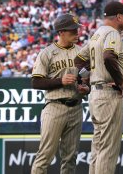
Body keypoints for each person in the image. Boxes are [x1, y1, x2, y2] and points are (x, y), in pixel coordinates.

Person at [74, 1, 123, 174]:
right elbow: (108, 56)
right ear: (119, 16)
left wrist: (85, 78)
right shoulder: (112, 33)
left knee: (98, 148)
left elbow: (78, 61)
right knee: (108, 149)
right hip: (108, 93)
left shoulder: (96, 34)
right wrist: (119, 81)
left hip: (96, 95)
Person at [31, 13, 90, 174]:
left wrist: (87, 88)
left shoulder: (82, 52)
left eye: (77, 29)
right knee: (45, 155)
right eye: (73, 30)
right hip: (55, 107)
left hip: (76, 107)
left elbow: (87, 78)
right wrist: (60, 81)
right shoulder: (47, 53)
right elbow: (36, 82)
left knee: (70, 158)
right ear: (61, 32)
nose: (77, 33)